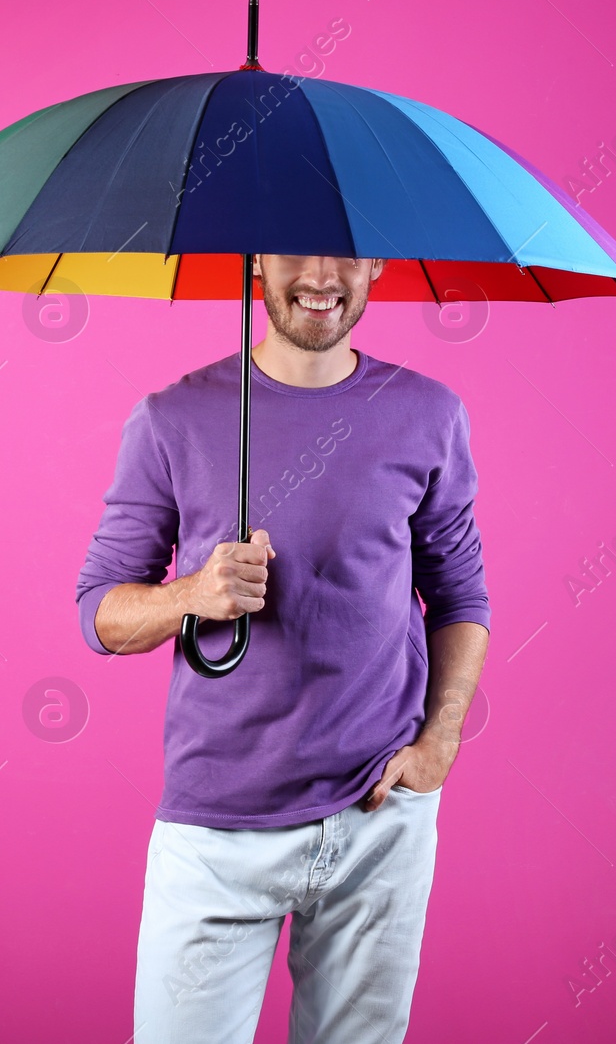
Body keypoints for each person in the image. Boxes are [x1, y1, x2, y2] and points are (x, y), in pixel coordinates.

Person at [75, 253, 491, 1044]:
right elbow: (100, 610)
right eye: (296, 247)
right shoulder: (172, 418)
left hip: (379, 824)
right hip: (218, 830)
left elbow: (461, 594)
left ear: (376, 262)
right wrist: (192, 593)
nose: (322, 275)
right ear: (256, 259)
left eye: (346, 250)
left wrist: (439, 740)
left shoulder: (429, 413)